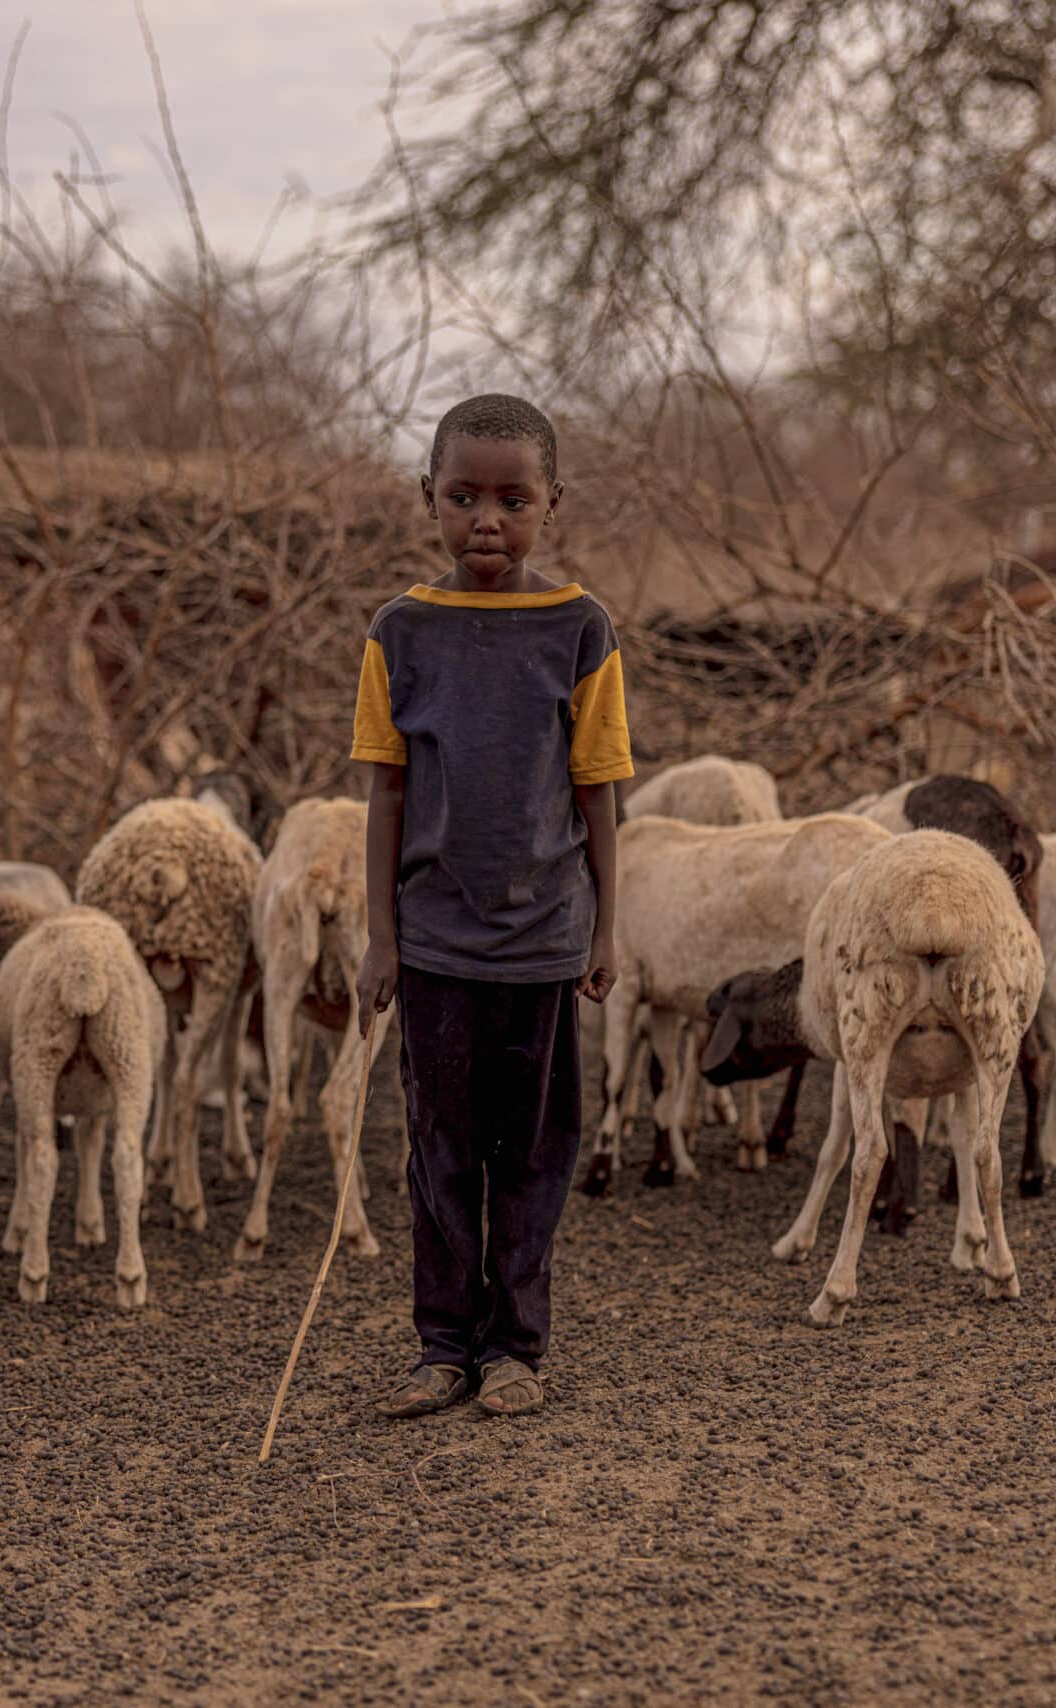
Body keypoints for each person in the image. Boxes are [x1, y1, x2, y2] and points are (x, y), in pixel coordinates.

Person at [351, 392, 629, 1420]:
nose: (486, 520)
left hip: (546, 939)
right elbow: (384, 789)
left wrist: (605, 926)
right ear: (427, 495)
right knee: (437, 1145)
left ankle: (515, 1346)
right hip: (433, 944)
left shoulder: (580, 628)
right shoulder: (400, 632)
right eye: (462, 496)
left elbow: (599, 787)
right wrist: (380, 935)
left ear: (552, 503)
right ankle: (441, 1346)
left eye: (512, 500)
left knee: (536, 1149)